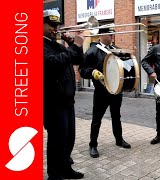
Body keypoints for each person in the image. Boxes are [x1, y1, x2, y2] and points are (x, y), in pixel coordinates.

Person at [79, 24, 131, 159]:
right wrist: (93, 73)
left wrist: (129, 57)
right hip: (101, 92)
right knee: (97, 119)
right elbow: (82, 70)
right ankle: (93, 145)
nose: (112, 37)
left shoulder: (116, 49)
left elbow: (126, 66)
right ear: (101, 35)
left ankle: (119, 139)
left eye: (113, 34)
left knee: (116, 116)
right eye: (109, 34)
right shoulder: (92, 51)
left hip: (116, 90)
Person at [43, 10, 84, 179]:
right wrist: (74, 46)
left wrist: (73, 44)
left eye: (57, 25)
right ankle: (54, 174)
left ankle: (65, 168)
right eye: (51, 25)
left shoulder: (58, 44)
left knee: (69, 138)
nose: (55, 29)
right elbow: (53, 63)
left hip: (67, 100)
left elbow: (77, 60)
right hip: (53, 102)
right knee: (57, 141)